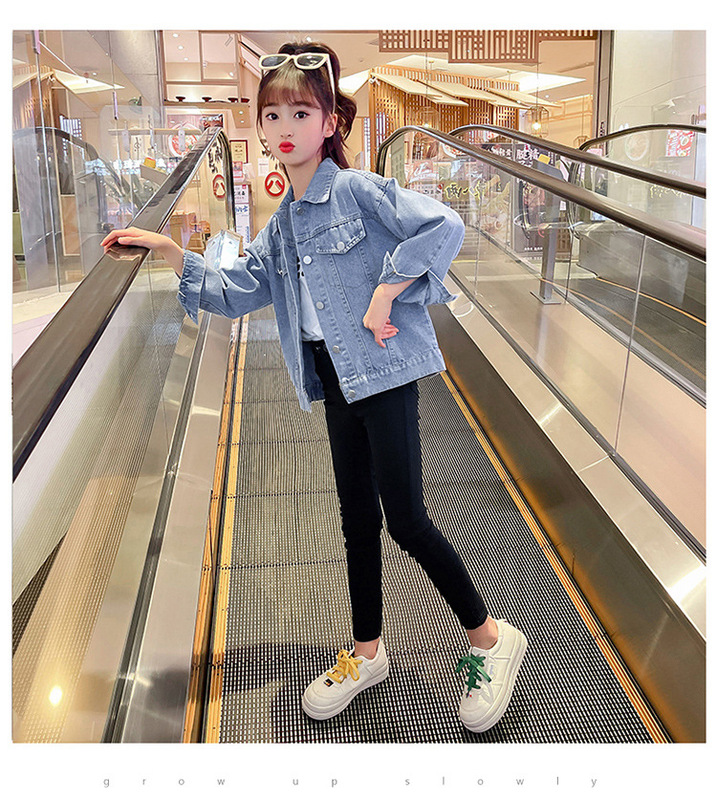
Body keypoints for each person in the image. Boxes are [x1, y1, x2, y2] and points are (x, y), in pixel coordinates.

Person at [101, 41, 527, 734]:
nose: (284, 127)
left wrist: (387, 292)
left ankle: (490, 638)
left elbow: (442, 224)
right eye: (272, 115)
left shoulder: (355, 191)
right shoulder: (285, 224)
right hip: (331, 378)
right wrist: (176, 254)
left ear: (330, 122)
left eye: (301, 112)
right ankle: (368, 653)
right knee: (356, 519)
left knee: (406, 520)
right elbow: (239, 292)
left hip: (382, 374)